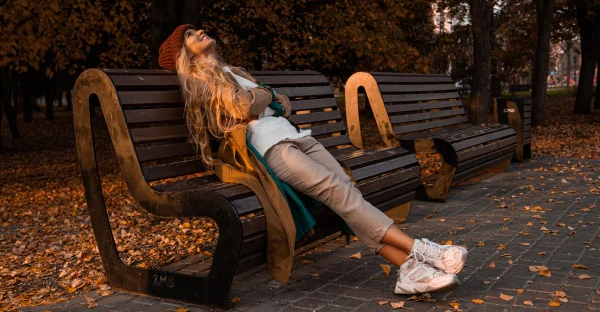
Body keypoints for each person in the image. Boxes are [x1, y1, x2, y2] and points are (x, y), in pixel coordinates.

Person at [158, 24, 468, 294]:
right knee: (339, 192)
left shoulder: (231, 72)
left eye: (195, 29)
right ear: (184, 52)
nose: (198, 31)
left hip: (297, 137)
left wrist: (264, 97)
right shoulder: (201, 82)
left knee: (346, 190)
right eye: (189, 34)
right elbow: (246, 107)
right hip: (273, 148)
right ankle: (423, 251)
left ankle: (409, 272)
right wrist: (265, 95)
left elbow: (280, 104)